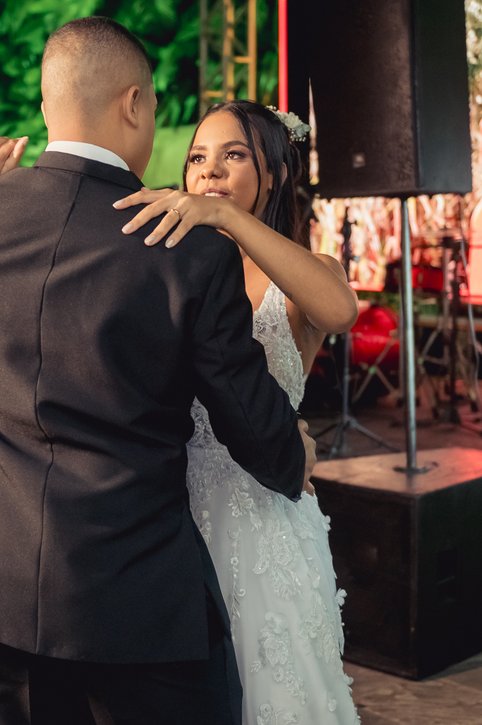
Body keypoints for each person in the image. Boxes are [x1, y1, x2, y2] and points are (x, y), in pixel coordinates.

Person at [0, 16, 311, 725]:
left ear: (47, 105)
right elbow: (252, 421)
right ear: (134, 104)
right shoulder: (185, 248)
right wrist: (293, 460)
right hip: (135, 589)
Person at [114, 100, 361, 723]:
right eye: (198, 158)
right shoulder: (170, 267)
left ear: (274, 173)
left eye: (233, 155)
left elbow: (338, 311)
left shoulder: (303, 272)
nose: (209, 171)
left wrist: (225, 217)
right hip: (172, 515)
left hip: (263, 518)